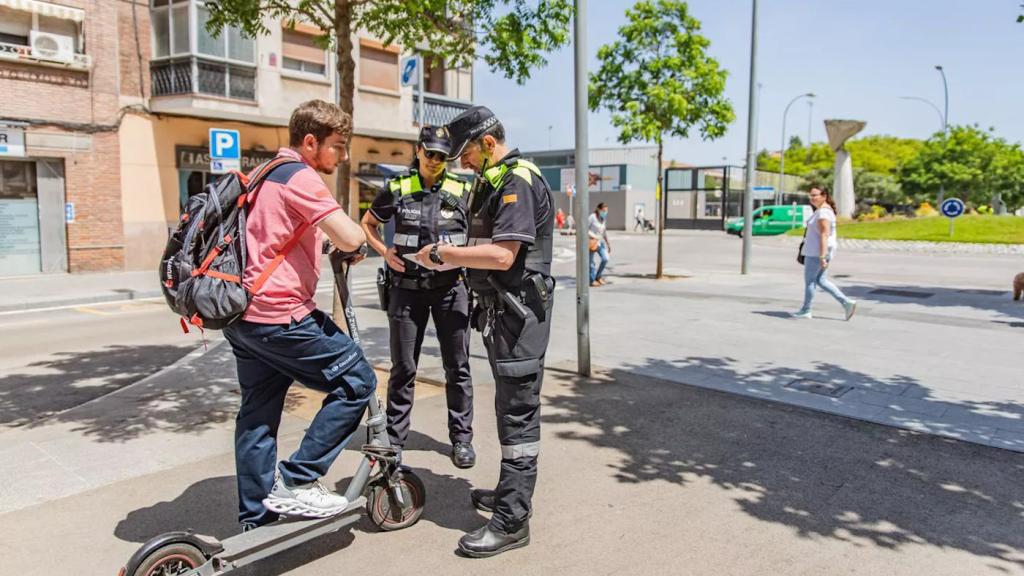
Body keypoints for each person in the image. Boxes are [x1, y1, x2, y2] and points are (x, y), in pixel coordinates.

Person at [224, 99, 374, 531]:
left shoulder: (263, 174)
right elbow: (349, 235)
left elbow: (271, 238)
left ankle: (258, 515)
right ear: (310, 142)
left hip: (243, 318)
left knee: (258, 413)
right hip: (281, 316)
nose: (343, 157)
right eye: (338, 147)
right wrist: (352, 241)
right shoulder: (300, 176)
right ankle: (298, 480)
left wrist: (322, 246)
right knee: (357, 381)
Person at [415, 106, 555, 558]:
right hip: (504, 317)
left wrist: (445, 254)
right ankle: (509, 495)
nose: (462, 163)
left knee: (518, 415)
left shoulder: (517, 179)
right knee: (508, 408)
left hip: (519, 320)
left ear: (488, 144)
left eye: (467, 154)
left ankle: (513, 521)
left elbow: (503, 257)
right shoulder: (495, 179)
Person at [359, 125, 476, 469]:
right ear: (419, 151)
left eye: (443, 155)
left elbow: (482, 233)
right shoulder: (397, 187)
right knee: (404, 368)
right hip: (406, 292)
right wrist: (384, 252)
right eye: (431, 153)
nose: (436, 160)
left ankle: (462, 439)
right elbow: (368, 223)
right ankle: (394, 440)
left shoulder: (462, 190)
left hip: (451, 291)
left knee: (458, 368)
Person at [793, 187, 857, 320]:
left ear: (824, 196)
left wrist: (822, 256)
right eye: (810, 195)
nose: (812, 198)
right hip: (818, 251)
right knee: (821, 280)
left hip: (817, 252)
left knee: (810, 281)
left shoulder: (823, 213)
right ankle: (846, 303)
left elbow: (824, 235)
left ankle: (806, 310)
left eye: (815, 195)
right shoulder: (822, 211)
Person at [588, 202, 611, 286]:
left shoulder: (603, 219)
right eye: (604, 210)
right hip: (591, 242)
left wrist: (608, 243)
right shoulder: (592, 217)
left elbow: (604, 232)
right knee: (591, 263)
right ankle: (592, 280)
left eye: (606, 211)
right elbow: (585, 228)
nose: (605, 212)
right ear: (599, 209)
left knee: (605, 258)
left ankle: (598, 276)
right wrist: (593, 236)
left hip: (600, 242)